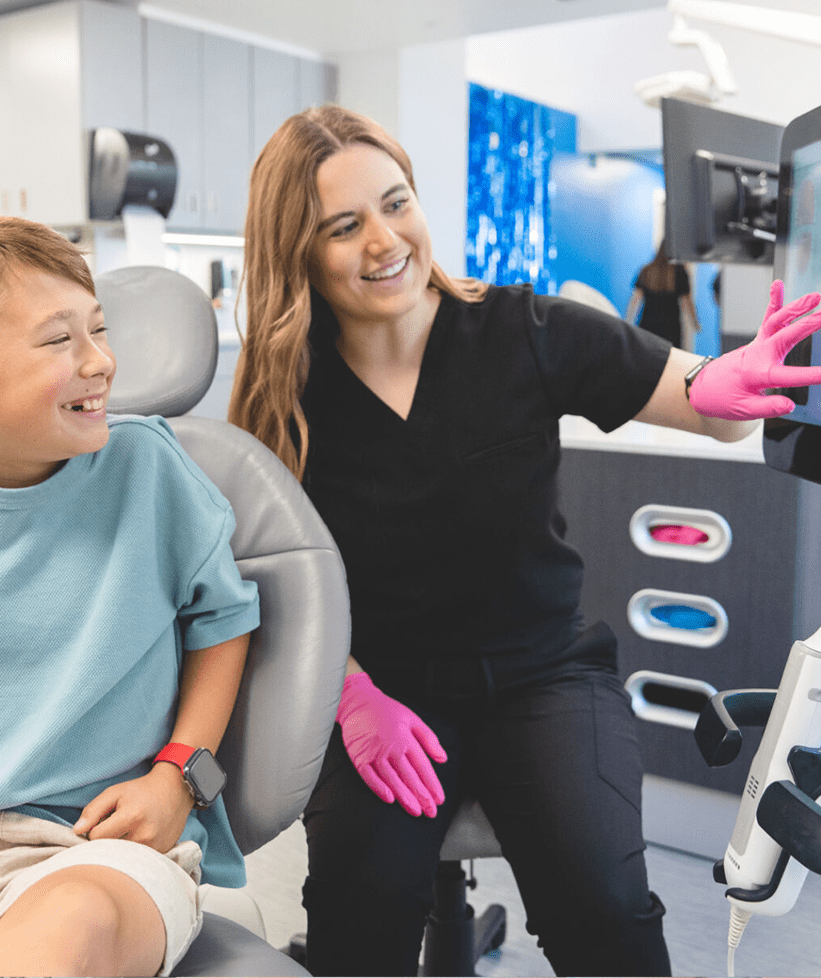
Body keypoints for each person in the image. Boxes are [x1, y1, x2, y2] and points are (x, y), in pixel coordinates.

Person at [228, 105, 821, 978]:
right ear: (298, 252)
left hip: (545, 675)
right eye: (344, 226)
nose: (385, 240)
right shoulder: (284, 389)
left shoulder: (524, 330)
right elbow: (268, 581)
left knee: (605, 911)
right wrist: (350, 696)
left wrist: (729, 382)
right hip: (385, 692)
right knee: (362, 919)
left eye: (397, 203)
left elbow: (700, 399)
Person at [0, 217, 260, 978]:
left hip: (101, 847)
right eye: (58, 340)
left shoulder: (147, 470)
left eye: (98, 329)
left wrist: (181, 778)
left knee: (65, 930)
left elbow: (227, 623)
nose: (100, 361)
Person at [627, 239, 700, 348]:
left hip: (648, 325)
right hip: (671, 327)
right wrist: (695, 323)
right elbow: (687, 302)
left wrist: (629, 321)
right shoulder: (680, 272)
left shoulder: (647, 270)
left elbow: (635, 300)